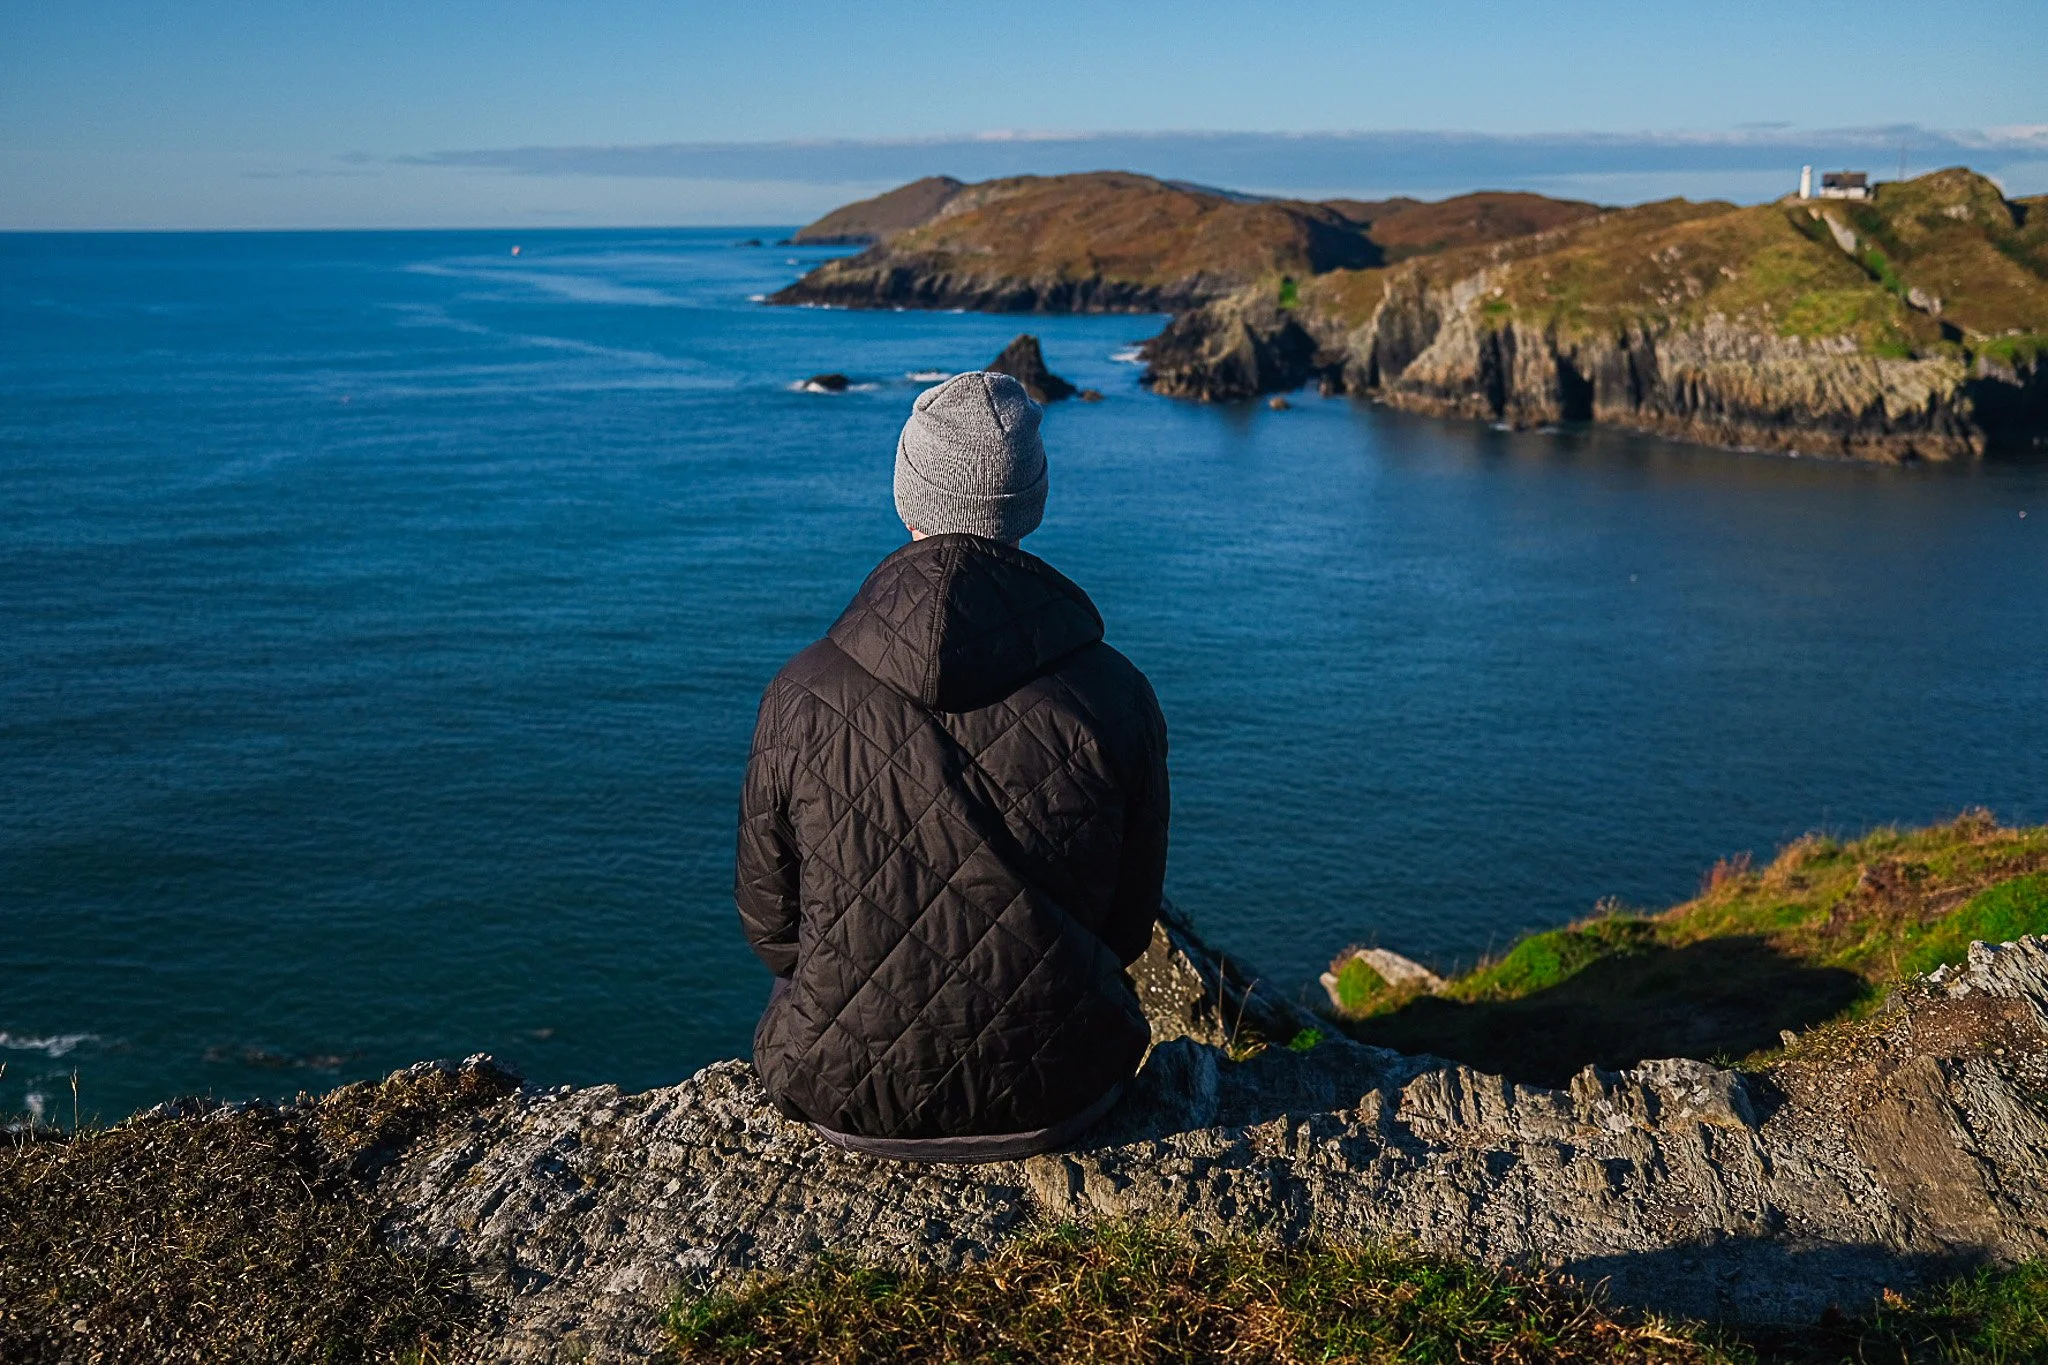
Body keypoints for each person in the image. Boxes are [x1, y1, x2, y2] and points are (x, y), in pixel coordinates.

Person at [735, 370, 1170, 1162]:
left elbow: (773, 928)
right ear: (1030, 503)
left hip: (842, 1090)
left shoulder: (800, 693)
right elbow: (1129, 925)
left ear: (907, 494)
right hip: (1066, 1087)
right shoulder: (1115, 694)